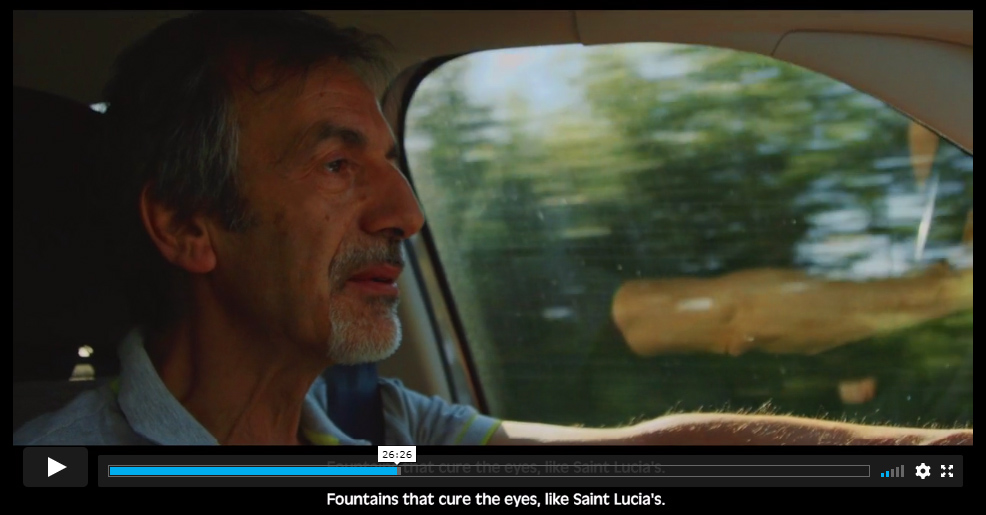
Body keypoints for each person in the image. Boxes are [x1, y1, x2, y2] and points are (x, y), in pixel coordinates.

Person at [13, 11, 972, 446]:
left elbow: (642, 454)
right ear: (186, 225)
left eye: (393, 162)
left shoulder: (383, 426)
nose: (406, 213)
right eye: (338, 164)